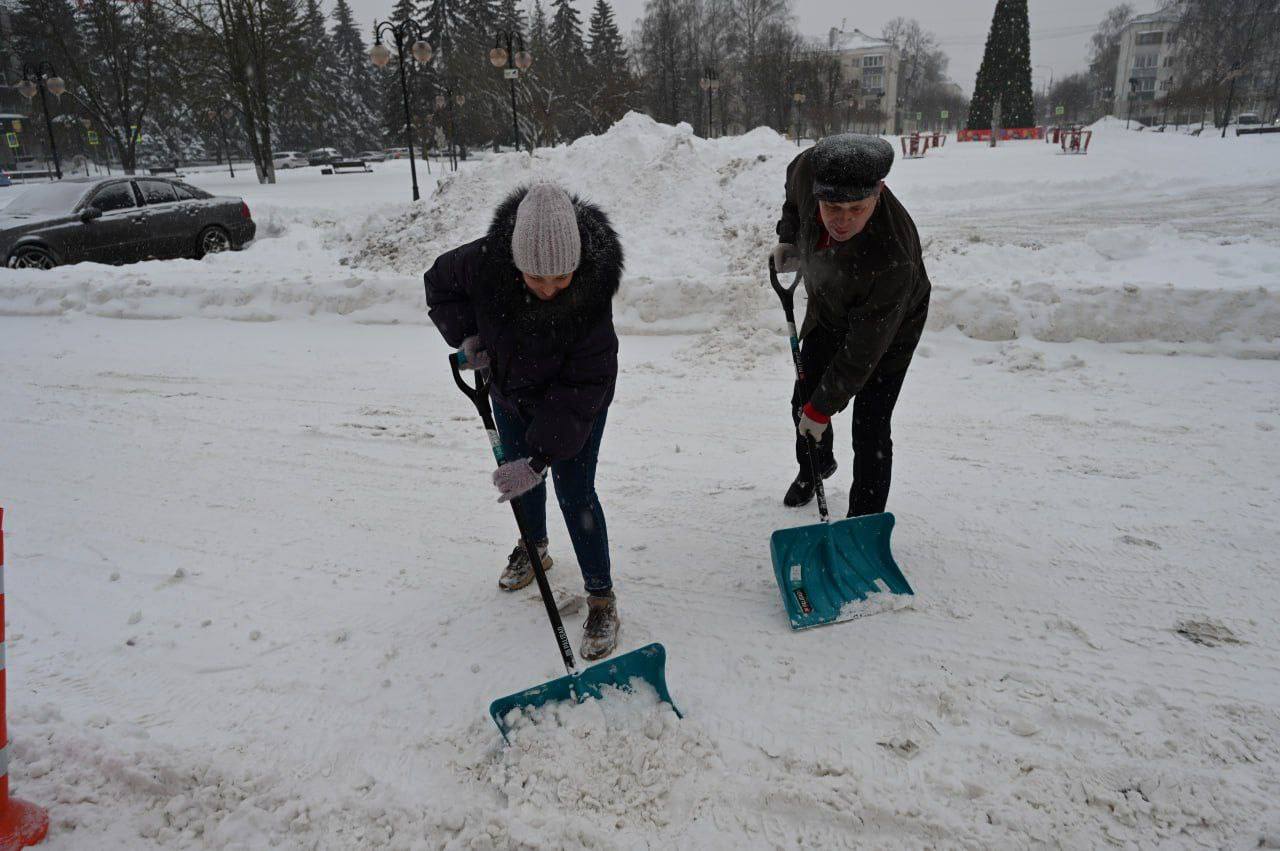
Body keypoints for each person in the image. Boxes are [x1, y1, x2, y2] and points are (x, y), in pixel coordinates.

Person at [424, 183, 624, 661]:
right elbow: (438, 285)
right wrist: (468, 336)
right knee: (522, 480)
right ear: (515, 260)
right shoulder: (482, 262)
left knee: (575, 492)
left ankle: (602, 598)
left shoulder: (592, 298)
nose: (551, 288)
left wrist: (540, 456)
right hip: (510, 393)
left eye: (562, 277)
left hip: (575, 402)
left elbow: (583, 391)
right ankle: (534, 547)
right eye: (537, 277)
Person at [772, 134, 931, 517]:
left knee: (871, 426)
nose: (842, 220)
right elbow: (794, 191)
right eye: (832, 207)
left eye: (856, 209)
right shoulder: (811, 171)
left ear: (879, 192)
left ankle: (862, 524)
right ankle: (815, 467)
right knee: (803, 400)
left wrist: (823, 409)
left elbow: (861, 353)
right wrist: (789, 237)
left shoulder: (892, 257)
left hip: (888, 330)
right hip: (830, 307)